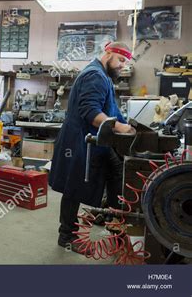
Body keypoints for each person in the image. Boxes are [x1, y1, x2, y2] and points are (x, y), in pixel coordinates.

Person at [49, 41, 136, 253]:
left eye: (125, 62)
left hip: (94, 142)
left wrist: (129, 125)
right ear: (108, 53)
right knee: (75, 187)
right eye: (121, 60)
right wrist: (120, 128)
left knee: (115, 175)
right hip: (80, 142)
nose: (122, 66)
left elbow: (111, 109)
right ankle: (67, 236)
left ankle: (112, 221)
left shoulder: (102, 76)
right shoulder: (95, 76)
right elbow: (91, 112)